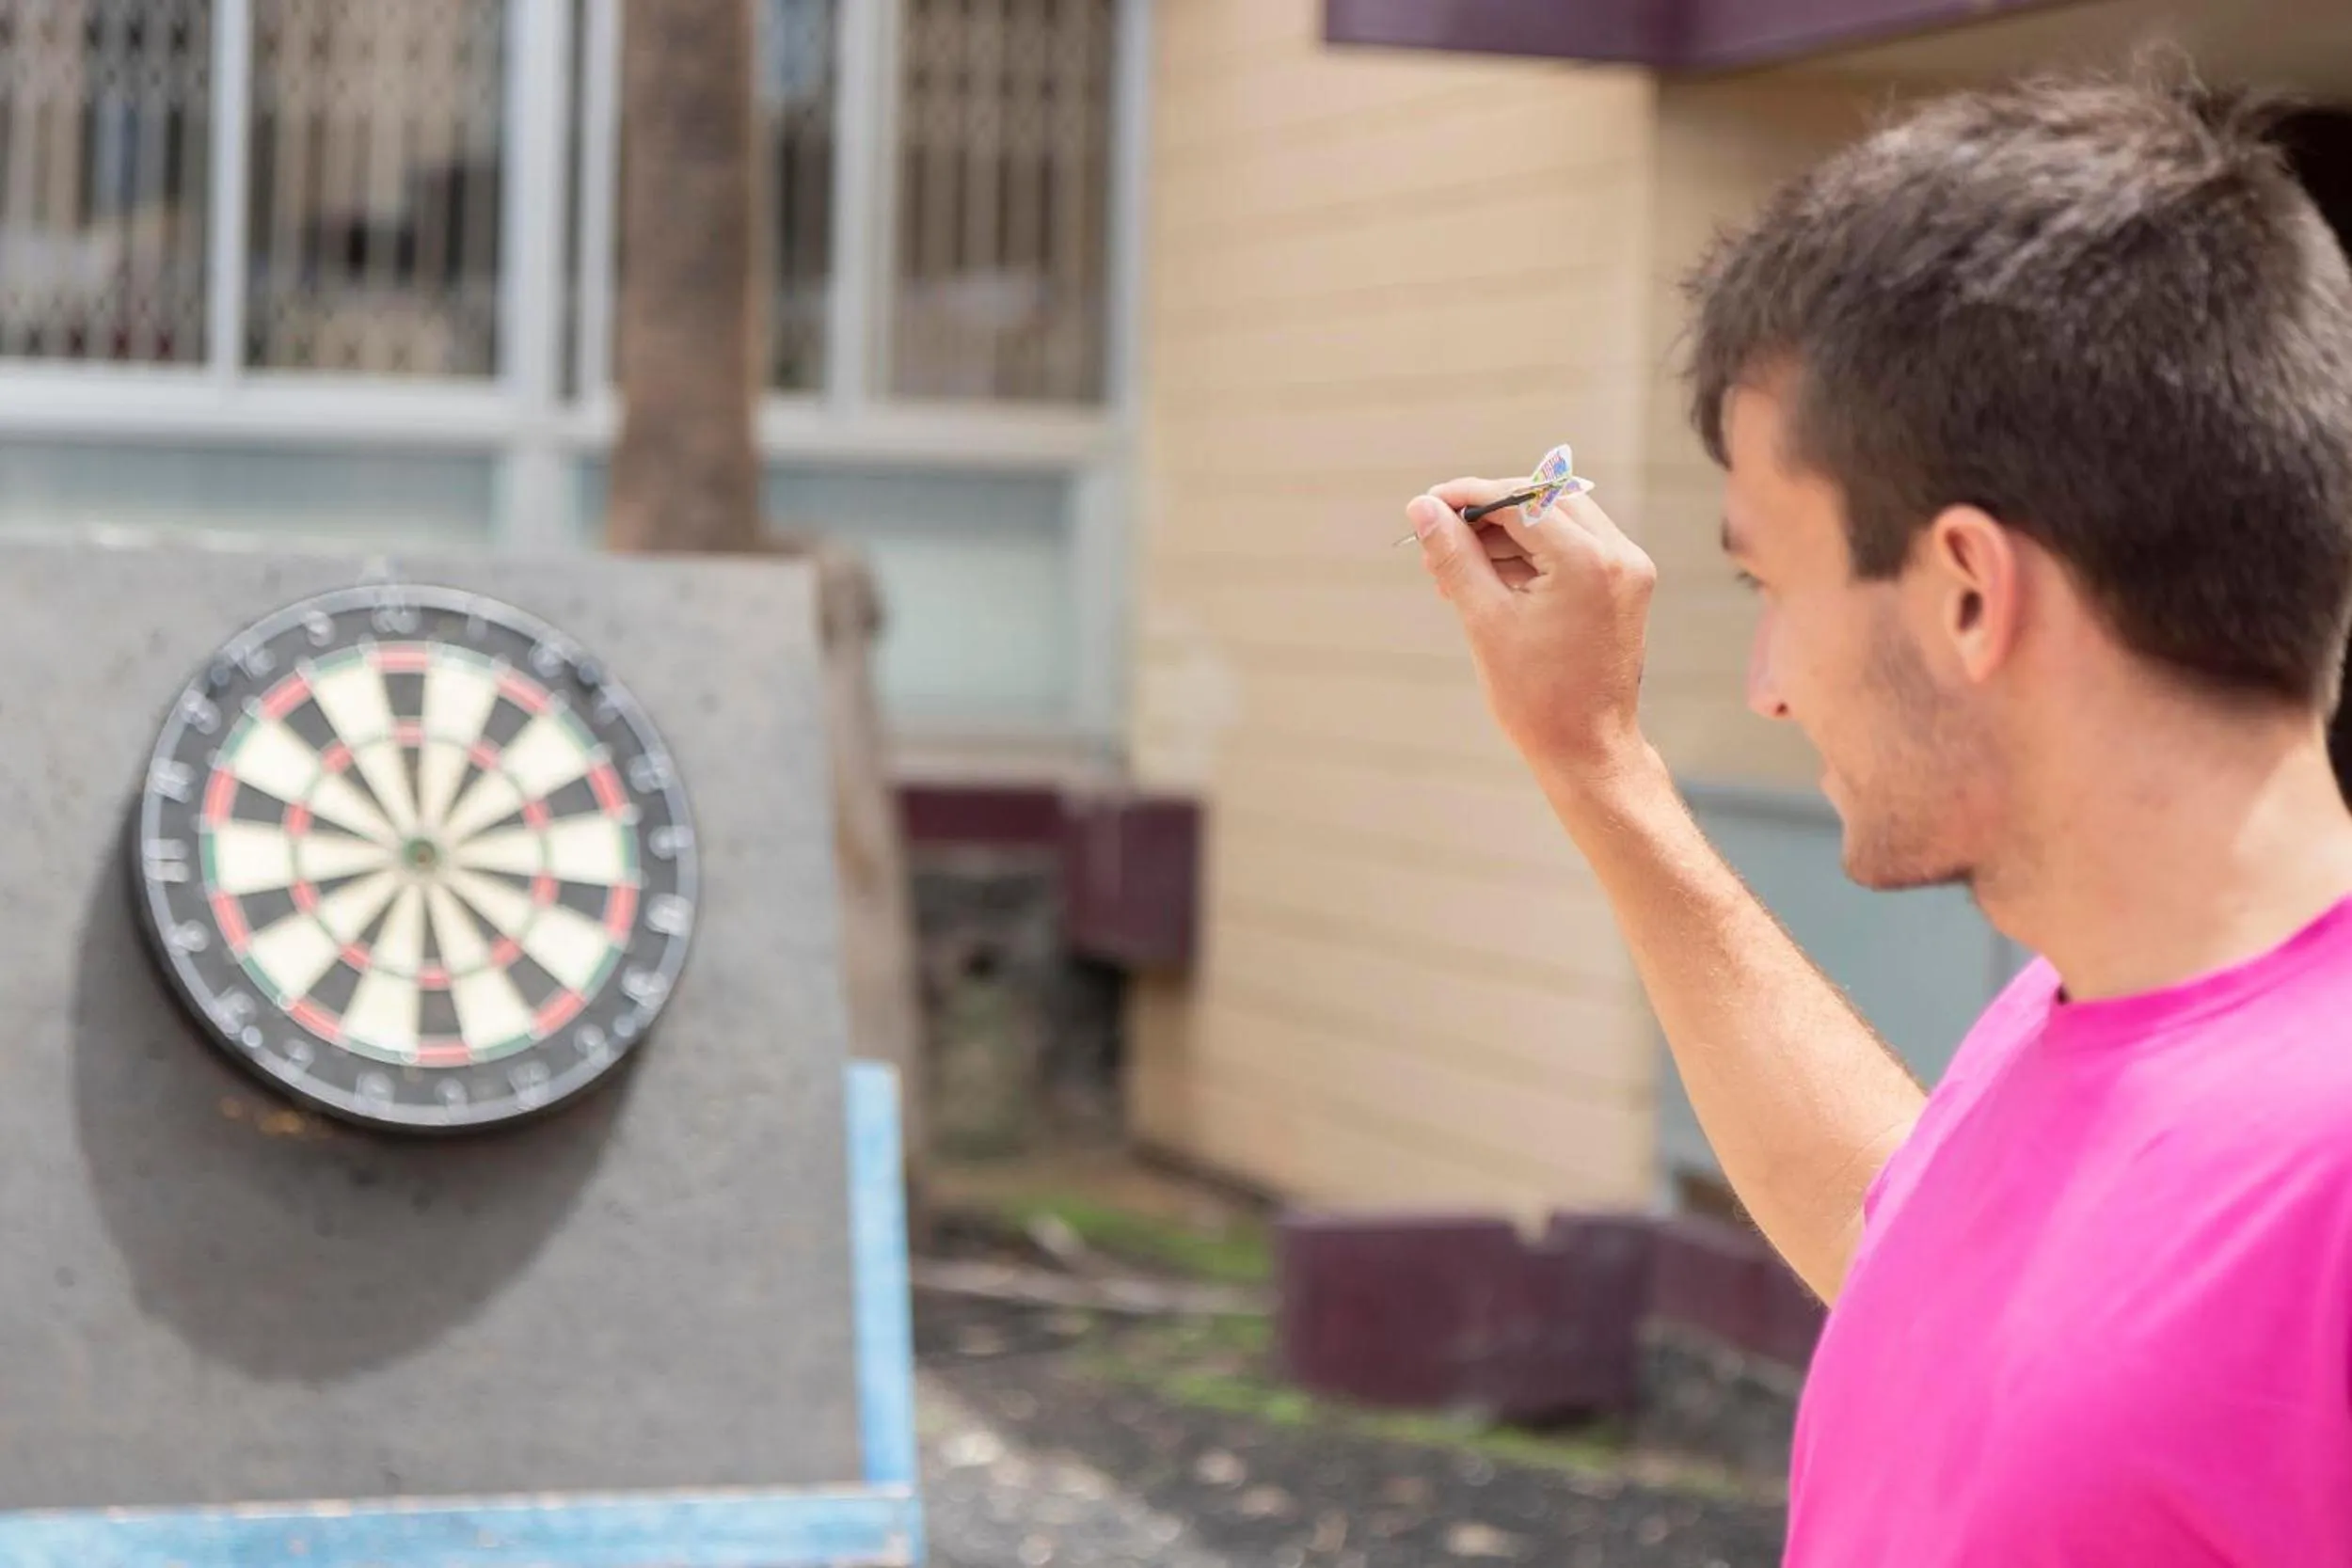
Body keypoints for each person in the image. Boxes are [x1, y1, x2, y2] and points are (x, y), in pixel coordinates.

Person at [1407, 68, 2352, 1566]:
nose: (1771, 688)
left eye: (1770, 586)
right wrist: (1593, 758)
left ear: (1971, 592)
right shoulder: (2079, 1005)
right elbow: (1917, 1256)